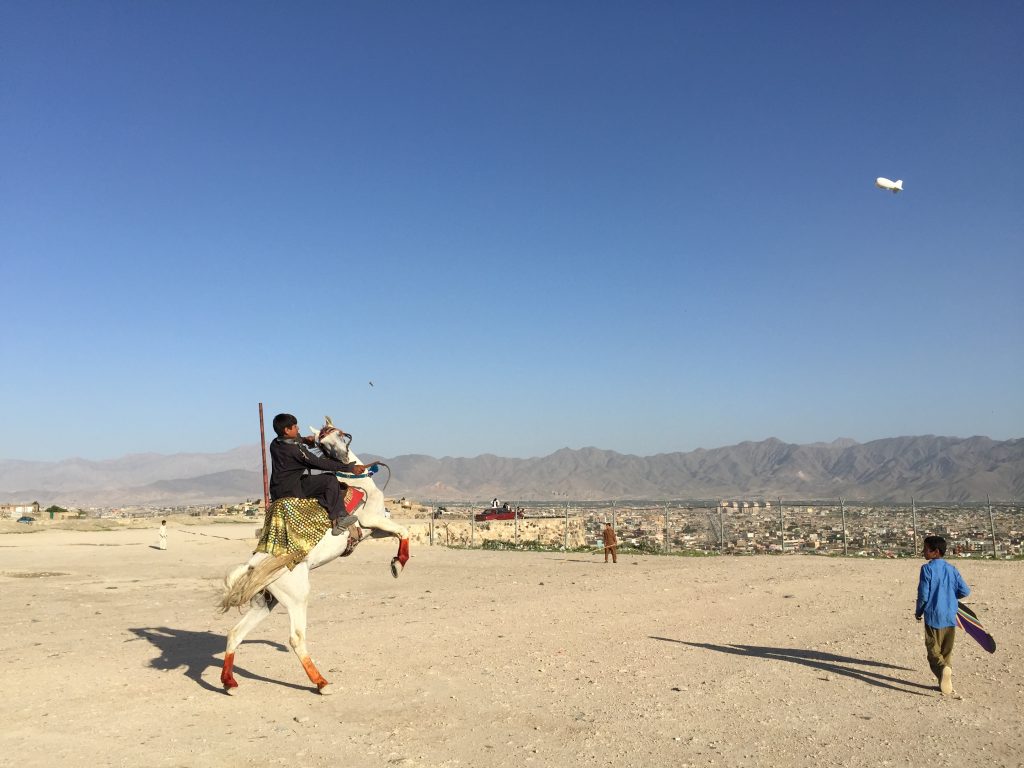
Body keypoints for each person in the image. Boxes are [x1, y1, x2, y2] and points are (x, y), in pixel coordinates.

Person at [269, 413, 365, 536]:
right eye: (295, 426)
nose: (298, 428)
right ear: (287, 430)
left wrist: (304, 440)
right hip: (292, 490)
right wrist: (349, 467)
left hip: (278, 489)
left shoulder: (275, 444)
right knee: (329, 479)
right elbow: (319, 463)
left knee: (313, 480)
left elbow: (293, 439)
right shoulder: (296, 452)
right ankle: (340, 518)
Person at [915, 535, 970, 695]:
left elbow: (923, 595)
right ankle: (945, 681)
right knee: (946, 650)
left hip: (933, 615)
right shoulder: (952, 569)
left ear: (935, 552)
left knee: (933, 650)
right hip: (950, 614)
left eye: (925, 549)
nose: (923, 552)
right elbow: (965, 591)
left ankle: (942, 669)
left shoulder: (927, 569)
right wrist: (950, 596)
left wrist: (919, 611)